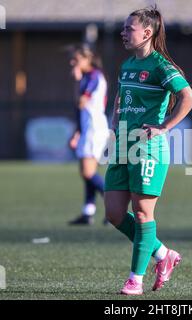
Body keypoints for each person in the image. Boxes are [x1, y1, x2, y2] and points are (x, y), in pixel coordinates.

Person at [104, 6, 192, 295]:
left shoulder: (161, 66)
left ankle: (135, 279)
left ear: (147, 33)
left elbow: (188, 97)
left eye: (128, 28)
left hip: (148, 150)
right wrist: (116, 115)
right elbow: (122, 94)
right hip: (122, 145)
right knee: (114, 214)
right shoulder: (127, 65)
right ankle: (163, 254)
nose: (123, 32)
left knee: (143, 214)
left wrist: (164, 127)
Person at [68, 45, 109, 225]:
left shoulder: (93, 77)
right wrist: (77, 132)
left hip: (94, 129)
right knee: (86, 172)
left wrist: (76, 82)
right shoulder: (88, 77)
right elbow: (80, 109)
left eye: (76, 60)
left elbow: (82, 102)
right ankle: (88, 212)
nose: (72, 63)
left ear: (87, 59)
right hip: (88, 129)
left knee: (88, 172)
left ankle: (116, 207)